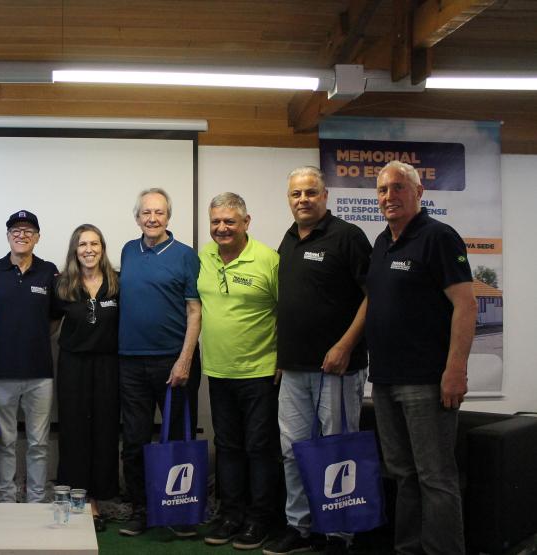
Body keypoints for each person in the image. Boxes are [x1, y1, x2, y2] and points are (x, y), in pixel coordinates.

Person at [365, 160, 476, 555]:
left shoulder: (439, 237)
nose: (389, 196)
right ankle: (409, 549)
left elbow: (466, 305)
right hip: (385, 380)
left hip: (427, 381)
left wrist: (455, 370)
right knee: (403, 474)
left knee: (436, 477)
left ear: (418, 193)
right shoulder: (381, 242)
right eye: (382, 190)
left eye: (398, 187)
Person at [264, 167, 372, 555]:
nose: (303, 200)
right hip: (293, 370)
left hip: (337, 369)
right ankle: (301, 526)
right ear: (288, 198)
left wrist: (344, 345)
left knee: (335, 452)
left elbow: (372, 295)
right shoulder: (289, 239)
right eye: (296, 194)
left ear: (325, 195)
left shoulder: (348, 237)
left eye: (310, 192)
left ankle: (338, 535)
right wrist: (281, 355)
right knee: (293, 451)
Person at [197, 192, 279, 550]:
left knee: (259, 448)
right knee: (228, 446)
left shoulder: (269, 260)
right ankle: (230, 513)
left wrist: (283, 360)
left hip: (260, 371)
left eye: (230, 221)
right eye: (216, 221)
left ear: (247, 222)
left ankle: (259, 519)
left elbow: (288, 311)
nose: (222, 227)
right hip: (218, 371)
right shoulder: (203, 256)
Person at [117, 188, 201, 537]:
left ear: (169, 217)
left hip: (174, 363)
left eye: (160, 212)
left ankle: (180, 511)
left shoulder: (185, 255)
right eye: (146, 212)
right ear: (137, 217)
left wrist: (184, 361)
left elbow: (195, 311)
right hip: (131, 362)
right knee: (135, 441)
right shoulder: (127, 250)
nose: (152, 218)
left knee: (179, 439)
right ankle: (140, 508)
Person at [0, 210, 59, 503]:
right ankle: (5, 500)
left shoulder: (48, 270)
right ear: (7, 236)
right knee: (5, 442)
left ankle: (36, 501)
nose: (22, 234)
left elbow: (54, 319)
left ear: (37, 237)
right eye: (16, 230)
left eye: (29, 230)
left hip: (40, 374)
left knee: (39, 443)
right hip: (0, 373)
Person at [53, 224, 120, 533]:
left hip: (108, 366)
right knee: (74, 431)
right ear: (75, 250)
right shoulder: (63, 285)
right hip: (73, 366)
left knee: (104, 432)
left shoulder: (117, 283)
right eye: (83, 244)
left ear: (102, 248)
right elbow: (49, 326)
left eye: (95, 243)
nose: (89, 249)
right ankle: (75, 499)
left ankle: (96, 500)